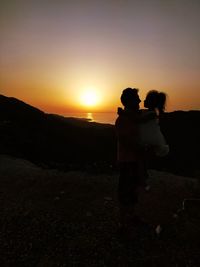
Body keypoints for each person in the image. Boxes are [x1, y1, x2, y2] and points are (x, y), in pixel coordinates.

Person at [115, 87, 142, 238]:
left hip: (135, 161)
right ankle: (122, 225)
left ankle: (131, 218)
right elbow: (126, 141)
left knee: (133, 192)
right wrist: (143, 146)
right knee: (125, 193)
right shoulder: (122, 120)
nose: (139, 101)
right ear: (129, 101)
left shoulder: (132, 118)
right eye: (136, 99)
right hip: (127, 161)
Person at [139, 90, 169, 157]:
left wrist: (125, 113)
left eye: (146, 99)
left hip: (151, 138)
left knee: (149, 155)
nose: (144, 101)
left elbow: (141, 120)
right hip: (147, 137)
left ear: (152, 102)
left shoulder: (153, 114)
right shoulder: (146, 111)